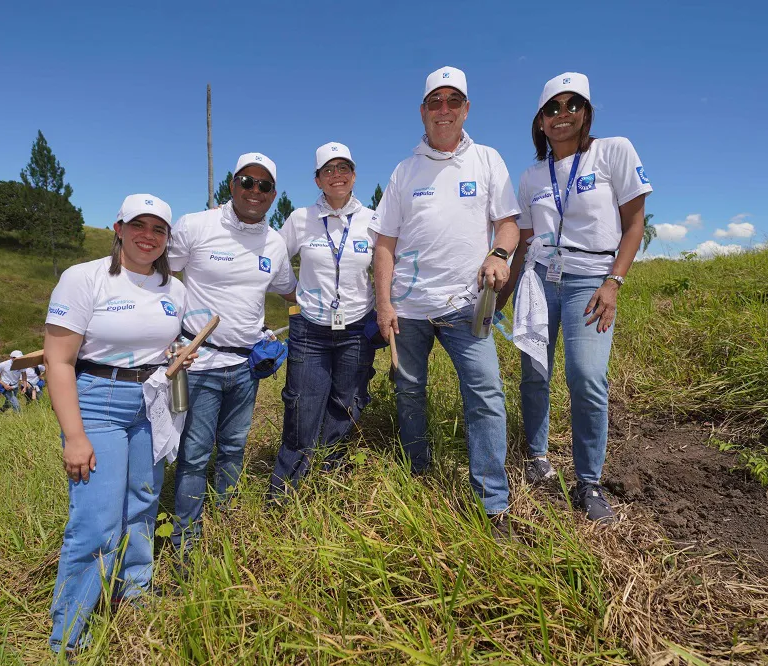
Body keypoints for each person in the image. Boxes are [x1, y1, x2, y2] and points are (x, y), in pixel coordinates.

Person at [370, 66, 521, 534]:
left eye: (453, 100)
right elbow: (384, 245)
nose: (444, 109)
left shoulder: (488, 160)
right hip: (409, 309)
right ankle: (418, 473)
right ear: (422, 110)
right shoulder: (404, 170)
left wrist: (499, 252)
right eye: (435, 101)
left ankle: (492, 503)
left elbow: (509, 222)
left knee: (486, 396)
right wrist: (383, 304)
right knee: (409, 392)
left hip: (465, 305)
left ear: (466, 109)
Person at [498, 72, 652, 523]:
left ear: (586, 112)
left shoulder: (613, 152)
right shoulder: (530, 176)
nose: (562, 115)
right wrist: (500, 300)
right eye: (552, 108)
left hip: (591, 279)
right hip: (539, 278)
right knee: (534, 372)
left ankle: (589, 481)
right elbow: (523, 242)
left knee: (586, 376)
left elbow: (635, 223)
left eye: (572, 105)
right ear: (540, 122)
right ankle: (538, 457)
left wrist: (613, 283)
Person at [45, 194, 191, 654]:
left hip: (151, 402)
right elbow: (58, 359)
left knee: (144, 500)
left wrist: (176, 356)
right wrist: (75, 435)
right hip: (99, 401)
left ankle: (135, 591)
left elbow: (163, 343)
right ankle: (69, 633)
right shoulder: (84, 278)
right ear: (119, 228)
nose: (148, 237)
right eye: (139, 226)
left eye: (159, 230)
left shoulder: (175, 290)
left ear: (167, 239)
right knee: (97, 519)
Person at [168, 153, 296, 550]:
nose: (254, 191)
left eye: (264, 186)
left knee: (234, 447)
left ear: (273, 194)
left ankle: (226, 525)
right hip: (200, 361)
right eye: (247, 182)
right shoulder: (196, 226)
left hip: (246, 366)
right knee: (193, 455)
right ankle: (185, 541)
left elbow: (291, 293)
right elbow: (159, 275)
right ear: (232, 184)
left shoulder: (274, 243)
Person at [268, 142, 379, 500]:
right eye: (328, 170)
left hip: (358, 327)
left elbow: (389, 265)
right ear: (317, 179)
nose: (337, 176)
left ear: (354, 175)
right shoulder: (300, 219)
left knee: (348, 401)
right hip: (310, 330)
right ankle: (285, 490)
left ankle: (327, 473)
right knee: (302, 403)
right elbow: (273, 258)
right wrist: (293, 292)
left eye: (343, 168)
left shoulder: (372, 220)